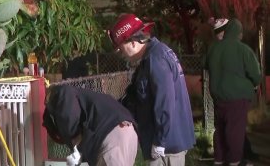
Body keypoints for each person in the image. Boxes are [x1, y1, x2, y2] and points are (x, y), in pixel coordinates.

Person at [108, 13, 195, 166]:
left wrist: (160, 141)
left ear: (133, 42)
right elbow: (135, 95)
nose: (122, 55)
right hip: (166, 142)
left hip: (166, 148)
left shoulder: (156, 59)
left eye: (121, 50)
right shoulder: (153, 56)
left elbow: (164, 102)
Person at [206, 18, 261, 166]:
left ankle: (219, 159)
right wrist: (253, 84)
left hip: (218, 97)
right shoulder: (243, 49)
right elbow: (256, 75)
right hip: (237, 97)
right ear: (238, 33)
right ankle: (235, 161)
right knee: (235, 132)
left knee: (221, 130)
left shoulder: (213, 48)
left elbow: (206, 65)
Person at [42, 84, 138, 166]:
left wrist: (75, 146)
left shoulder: (62, 95)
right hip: (129, 133)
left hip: (113, 137)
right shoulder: (82, 98)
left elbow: (69, 122)